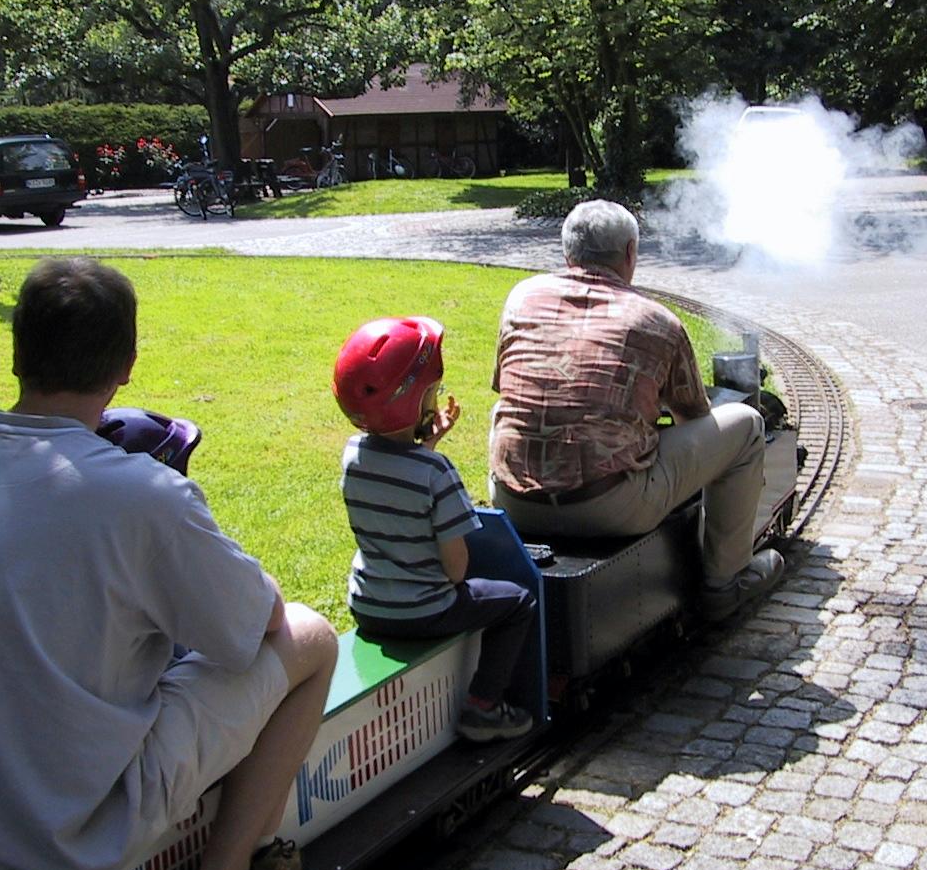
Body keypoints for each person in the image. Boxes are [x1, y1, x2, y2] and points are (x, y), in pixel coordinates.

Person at [0, 257, 339, 870]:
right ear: (126, 366)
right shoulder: (142, 495)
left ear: (18, 352)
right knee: (312, 636)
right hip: (60, 829)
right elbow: (258, 625)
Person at [489, 199, 784, 620]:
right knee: (748, 425)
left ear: (567, 251)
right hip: (608, 508)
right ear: (630, 252)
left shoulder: (522, 297)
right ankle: (725, 583)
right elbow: (691, 417)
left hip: (514, 502)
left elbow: (506, 385)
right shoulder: (657, 320)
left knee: (502, 412)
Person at [333, 316, 536, 741]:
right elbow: (456, 570)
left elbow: (400, 481)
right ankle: (484, 708)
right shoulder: (436, 473)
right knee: (518, 601)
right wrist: (430, 456)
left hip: (368, 606)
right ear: (413, 399)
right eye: (432, 392)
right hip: (424, 612)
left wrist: (426, 444)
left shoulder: (352, 456)